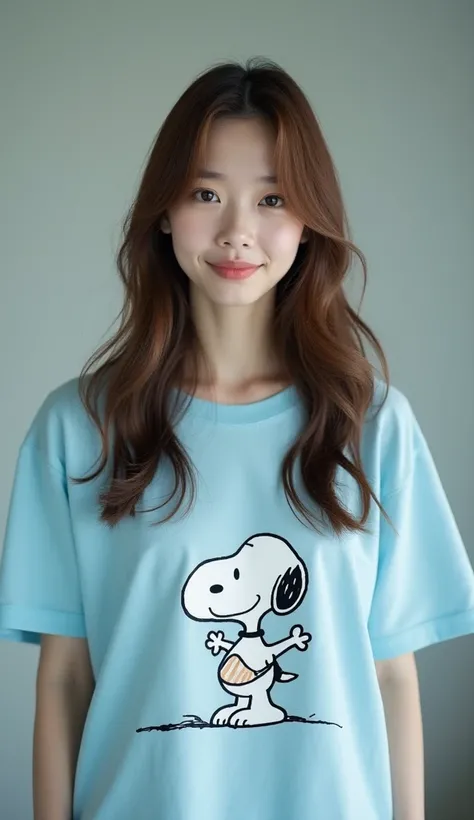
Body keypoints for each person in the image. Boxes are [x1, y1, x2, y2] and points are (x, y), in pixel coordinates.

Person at [1, 56, 473, 820]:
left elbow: (391, 677)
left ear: (308, 219)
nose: (237, 232)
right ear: (164, 211)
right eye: (206, 194)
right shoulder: (79, 426)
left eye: (273, 197)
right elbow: (63, 680)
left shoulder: (374, 425)